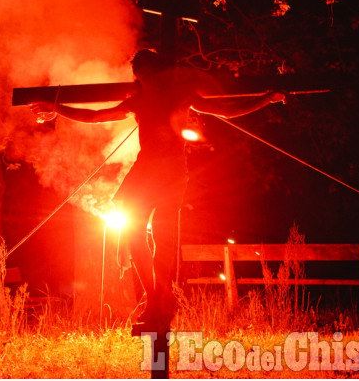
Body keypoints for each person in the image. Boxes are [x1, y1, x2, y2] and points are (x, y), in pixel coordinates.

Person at [30, 49, 286, 327]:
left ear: (155, 74)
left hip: (172, 170)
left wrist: (266, 99)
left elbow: (226, 110)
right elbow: (96, 116)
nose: (144, 80)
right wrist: (57, 108)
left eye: (146, 74)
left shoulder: (180, 96)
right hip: (148, 168)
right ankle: (154, 296)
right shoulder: (139, 100)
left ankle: (160, 299)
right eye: (140, 76)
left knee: (163, 235)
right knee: (133, 227)